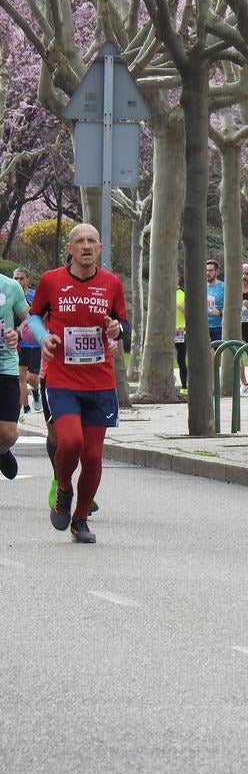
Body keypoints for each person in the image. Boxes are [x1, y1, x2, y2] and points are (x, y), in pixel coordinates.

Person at [26, 224, 127, 544]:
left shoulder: (111, 284)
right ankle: (64, 487)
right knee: (70, 443)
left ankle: (80, 519)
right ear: (70, 249)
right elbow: (33, 317)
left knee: (94, 456)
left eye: (91, 242)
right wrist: (44, 338)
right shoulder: (51, 281)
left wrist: (116, 332)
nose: (86, 246)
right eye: (79, 241)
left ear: (99, 249)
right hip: (62, 379)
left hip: (100, 381)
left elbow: (123, 322)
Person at [0, 269, 31, 480]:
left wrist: (18, 333)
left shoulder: (10, 286)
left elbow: (30, 322)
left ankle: (2, 450)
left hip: (5, 366)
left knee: (8, 434)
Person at [12, 268, 41, 416]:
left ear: (27, 280)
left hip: (34, 342)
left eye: (21, 278)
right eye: (15, 278)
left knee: (32, 378)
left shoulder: (34, 295)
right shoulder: (9, 295)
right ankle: (25, 408)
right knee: (21, 376)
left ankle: (36, 392)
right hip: (19, 343)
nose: (18, 281)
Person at [239, 263, 248, 393]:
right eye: (242, 273)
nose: (244, 276)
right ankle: (244, 383)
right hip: (239, 326)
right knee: (237, 354)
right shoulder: (235, 289)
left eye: (246, 274)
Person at [206, 259, 224, 344]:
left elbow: (232, 310)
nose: (207, 273)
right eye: (206, 270)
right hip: (204, 327)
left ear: (217, 272)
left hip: (219, 327)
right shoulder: (200, 288)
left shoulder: (224, 287)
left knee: (219, 354)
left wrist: (220, 313)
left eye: (210, 270)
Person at [174, 274, 187, 390]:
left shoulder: (182, 293)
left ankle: (184, 387)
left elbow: (188, 312)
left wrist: (178, 306)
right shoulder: (162, 292)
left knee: (181, 359)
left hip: (180, 330)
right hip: (166, 330)